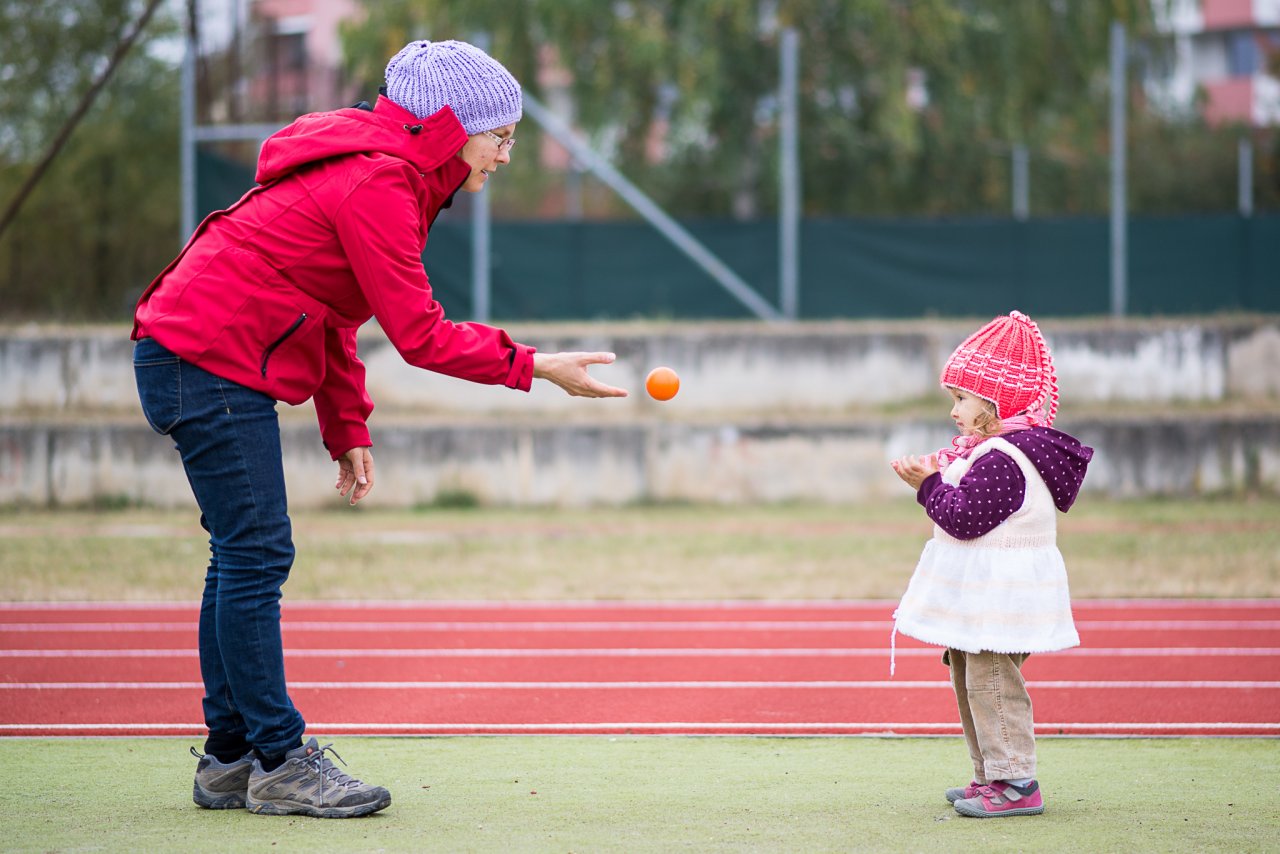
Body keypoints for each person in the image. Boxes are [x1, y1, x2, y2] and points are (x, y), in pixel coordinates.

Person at [131, 39, 627, 819]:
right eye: (500, 138)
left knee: (241, 555)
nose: (505, 156)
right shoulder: (380, 180)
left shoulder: (387, 170)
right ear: (451, 129)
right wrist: (535, 365)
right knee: (256, 553)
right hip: (204, 358)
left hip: (195, 353)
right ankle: (279, 760)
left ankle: (230, 760)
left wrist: (347, 425)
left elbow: (331, 309)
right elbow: (420, 335)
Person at [888, 310, 1093, 819]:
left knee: (993, 684)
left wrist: (928, 486)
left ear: (996, 403)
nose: (954, 410)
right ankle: (989, 775)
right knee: (969, 676)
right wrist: (936, 474)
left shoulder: (1004, 457)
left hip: (1002, 596)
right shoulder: (989, 450)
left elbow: (965, 519)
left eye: (962, 399)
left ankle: (1017, 781)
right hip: (984, 593)